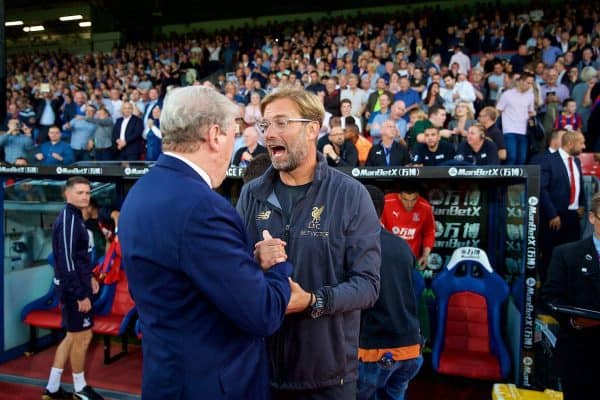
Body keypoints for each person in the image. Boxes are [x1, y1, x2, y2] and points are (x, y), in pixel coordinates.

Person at [119, 86, 293, 399]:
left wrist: (245, 266)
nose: (233, 144)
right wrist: (278, 264)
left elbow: (178, 282)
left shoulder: (141, 191)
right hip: (213, 384)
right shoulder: (203, 207)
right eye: (232, 134)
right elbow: (263, 312)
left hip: (167, 376)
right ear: (214, 135)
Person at [236, 87, 381, 399]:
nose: (269, 134)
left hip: (328, 381)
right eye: (265, 125)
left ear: (313, 128)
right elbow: (231, 275)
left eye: (281, 123)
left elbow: (368, 285)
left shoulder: (350, 195)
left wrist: (313, 300)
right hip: (260, 371)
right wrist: (253, 259)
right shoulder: (251, 195)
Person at [358, 185, 423, 400]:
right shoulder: (402, 246)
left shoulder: (355, 246)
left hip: (373, 351)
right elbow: (418, 289)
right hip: (410, 349)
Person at [43, 176, 103, 400]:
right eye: (79, 193)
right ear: (67, 195)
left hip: (77, 284)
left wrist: (90, 278)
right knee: (83, 337)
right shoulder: (69, 218)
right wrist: (80, 294)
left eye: (87, 193)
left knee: (71, 336)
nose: (85, 197)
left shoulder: (76, 218)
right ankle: (80, 389)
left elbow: (78, 259)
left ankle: (52, 388)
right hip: (72, 290)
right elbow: (67, 260)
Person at [541, 192, 600, 400]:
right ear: (592, 218)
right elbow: (549, 298)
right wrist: (574, 321)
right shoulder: (566, 254)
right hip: (579, 356)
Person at [539, 130, 586, 282]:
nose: (584, 146)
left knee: (572, 257)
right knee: (551, 257)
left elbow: (579, 185)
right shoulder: (548, 160)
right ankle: (548, 294)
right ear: (570, 143)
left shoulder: (577, 161)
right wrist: (552, 214)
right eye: (581, 143)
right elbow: (542, 189)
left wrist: (581, 204)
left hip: (573, 217)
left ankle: (567, 293)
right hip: (554, 218)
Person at [381, 186, 435, 269]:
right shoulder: (386, 202)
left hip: (411, 260)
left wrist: (425, 255)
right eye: (405, 200)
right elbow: (377, 229)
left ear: (418, 197)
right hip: (388, 258)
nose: (409, 205)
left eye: (414, 200)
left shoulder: (425, 207)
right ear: (399, 196)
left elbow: (429, 232)